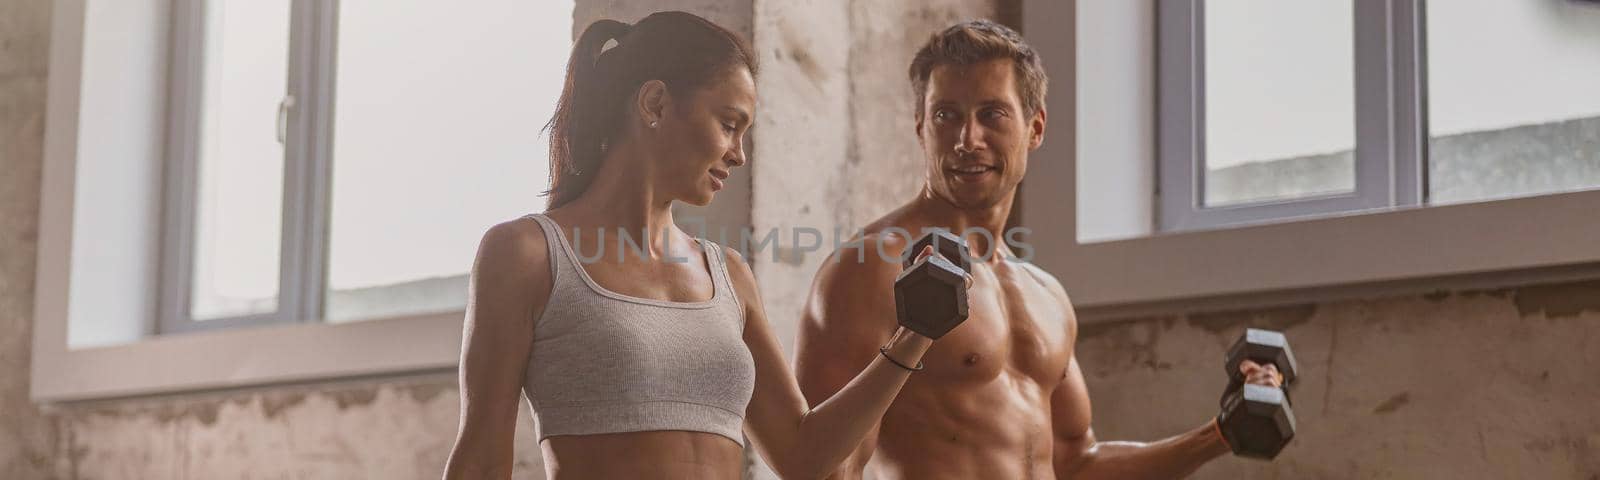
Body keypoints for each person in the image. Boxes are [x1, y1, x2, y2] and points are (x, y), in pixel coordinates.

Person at [442, 11, 968, 480]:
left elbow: (805, 458)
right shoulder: (527, 254)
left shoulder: (729, 275)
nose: (738, 155)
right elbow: (482, 462)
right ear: (655, 103)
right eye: (728, 124)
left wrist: (915, 333)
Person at [795, 20, 1285, 479]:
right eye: (946, 115)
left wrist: (1219, 433)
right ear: (921, 127)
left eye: (992, 114)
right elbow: (825, 469)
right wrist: (908, 341)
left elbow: (1077, 464)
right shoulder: (870, 269)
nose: (967, 140)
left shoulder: (1044, 294)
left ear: (1035, 128)